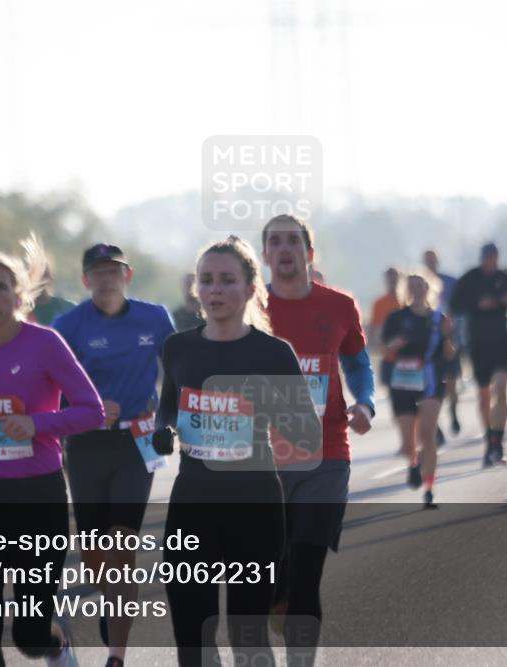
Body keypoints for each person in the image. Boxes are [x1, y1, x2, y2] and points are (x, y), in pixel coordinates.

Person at [0, 233, 105, 667]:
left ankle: (56, 644)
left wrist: (36, 423)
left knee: (29, 632)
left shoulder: (44, 343)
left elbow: (92, 410)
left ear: (20, 296)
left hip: (38, 495)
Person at [152, 236, 321, 667]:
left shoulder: (273, 354)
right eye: (206, 280)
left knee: (247, 636)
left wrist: (261, 403)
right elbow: (169, 406)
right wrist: (163, 430)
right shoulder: (178, 348)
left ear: (250, 288)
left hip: (256, 507)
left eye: (227, 280)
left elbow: (306, 434)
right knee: (193, 636)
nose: (214, 290)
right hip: (193, 503)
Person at [52, 242, 175, 665]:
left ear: (128, 275)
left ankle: (116, 656)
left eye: (114, 270)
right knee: (94, 554)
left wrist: (167, 417)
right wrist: (85, 410)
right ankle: (111, 601)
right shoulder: (68, 325)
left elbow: (178, 369)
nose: (107, 278)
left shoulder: (156, 318)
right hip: (86, 445)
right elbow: (52, 387)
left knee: (123, 545)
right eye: (98, 272)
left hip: (135, 444)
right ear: (86, 280)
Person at [261, 214, 374, 667]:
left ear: (310, 253)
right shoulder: (249, 307)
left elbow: (359, 363)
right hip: (261, 460)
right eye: (275, 242)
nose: (285, 249)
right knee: (272, 580)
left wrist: (365, 402)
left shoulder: (340, 305)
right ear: (264, 255)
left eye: (294, 241)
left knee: (306, 577)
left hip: (326, 454)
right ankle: (276, 601)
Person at [382, 274, 454, 507]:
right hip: (403, 382)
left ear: (428, 288)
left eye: (421, 285)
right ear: (407, 290)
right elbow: (383, 349)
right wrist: (395, 345)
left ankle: (429, 490)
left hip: (430, 380)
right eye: (412, 286)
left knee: (428, 434)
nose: (417, 289)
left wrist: (448, 342)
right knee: (407, 443)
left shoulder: (438, 319)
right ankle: (413, 463)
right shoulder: (396, 318)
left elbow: (450, 353)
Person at [449, 243, 507, 467]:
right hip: (477, 343)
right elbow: (455, 305)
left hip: (500, 341)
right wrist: (477, 304)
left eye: (494, 257)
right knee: (484, 396)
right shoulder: (470, 279)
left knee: (501, 390)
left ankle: (498, 440)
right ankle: (489, 439)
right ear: (482, 258)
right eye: (488, 257)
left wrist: (502, 301)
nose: (491, 260)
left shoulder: (505, 278)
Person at [424, 250, 462, 435]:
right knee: (431, 387)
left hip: (449, 338)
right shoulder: (418, 282)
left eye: (433, 260)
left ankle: (453, 411)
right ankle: (436, 426)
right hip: (429, 343)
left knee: (452, 383)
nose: (430, 263)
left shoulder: (450, 282)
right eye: (427, 261)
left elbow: (458, 307)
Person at [368, 267, 401, 390]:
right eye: (390, 277)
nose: (393, 280)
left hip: (407, 356)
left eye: (395, 277)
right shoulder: (379, 303)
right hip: (388, 354)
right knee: (392, 390)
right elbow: (374, 328)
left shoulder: (405, 301)